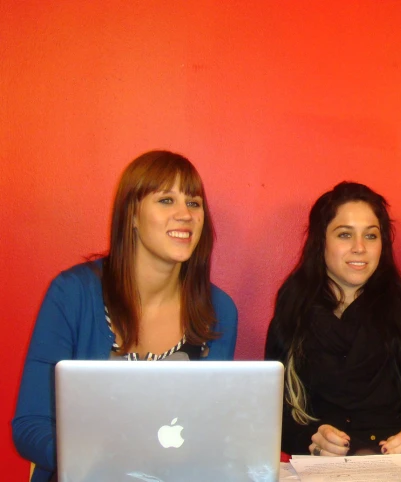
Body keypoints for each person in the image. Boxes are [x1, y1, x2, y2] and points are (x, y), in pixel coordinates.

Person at [12, 150, 238, 482]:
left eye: (193, 203)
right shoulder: (73, 293)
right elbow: (30, 424)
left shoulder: (219, 311)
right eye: (165, 200)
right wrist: (93, 460)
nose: (185, 215)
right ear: (131, 214)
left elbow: (209, 430)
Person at [264, 182, 401, 462]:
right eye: (344, 234)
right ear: (321, 241)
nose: (359, 248)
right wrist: (311, 440)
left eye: (371, 236)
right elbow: (275, 412)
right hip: (321, 472)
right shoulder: (291, 315)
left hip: (396, 470)